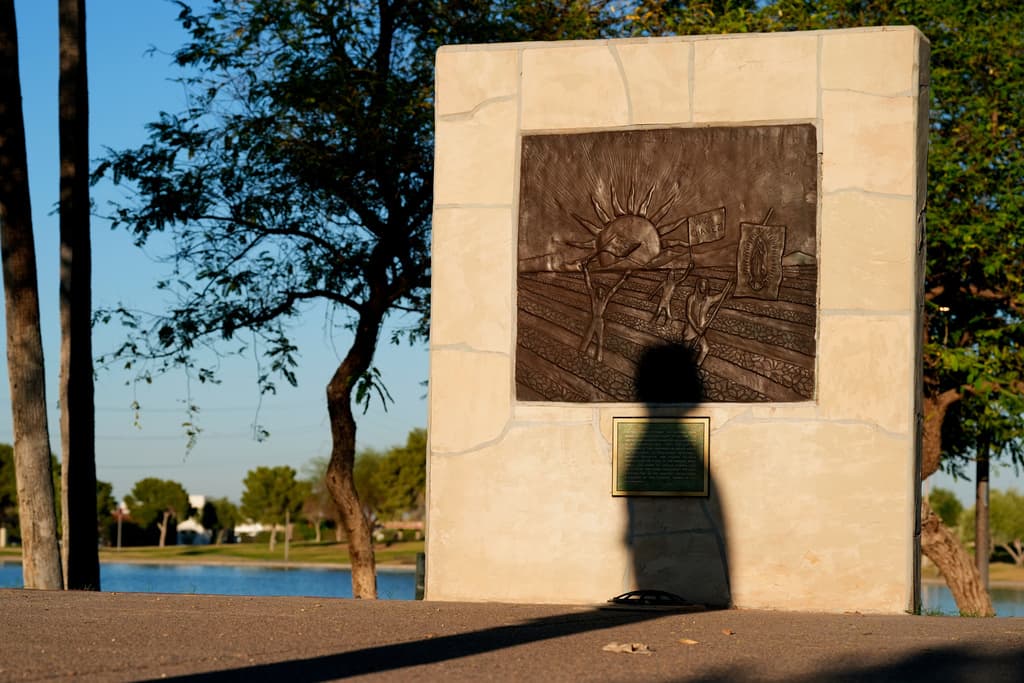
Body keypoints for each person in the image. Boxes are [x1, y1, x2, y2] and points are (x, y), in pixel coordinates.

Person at [578, 263, 630, 363]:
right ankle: (581, 353)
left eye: (602, 292)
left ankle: (599, 358)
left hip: (600, 321)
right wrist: (585, 271)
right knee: (587, 338)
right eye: (599, 292)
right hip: (594, 320)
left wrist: (624, 277)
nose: (600, 293)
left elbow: (614, 289)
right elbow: (588, 285)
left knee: (600, 341)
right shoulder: (594, 298)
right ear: (597, 293)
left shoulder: (605, 300)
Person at [683, 275, 736, 366]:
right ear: (698, 286)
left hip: (701, 328)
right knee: (684, 352)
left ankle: (696, 366)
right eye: (702, 286)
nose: (704, 289)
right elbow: (688, 315)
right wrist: (696, 329)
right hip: (691, 328)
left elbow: (722, 295)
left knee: (705, 349)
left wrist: (728, 284)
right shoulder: (691, 298)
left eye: (705, 287)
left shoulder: (708, 300)